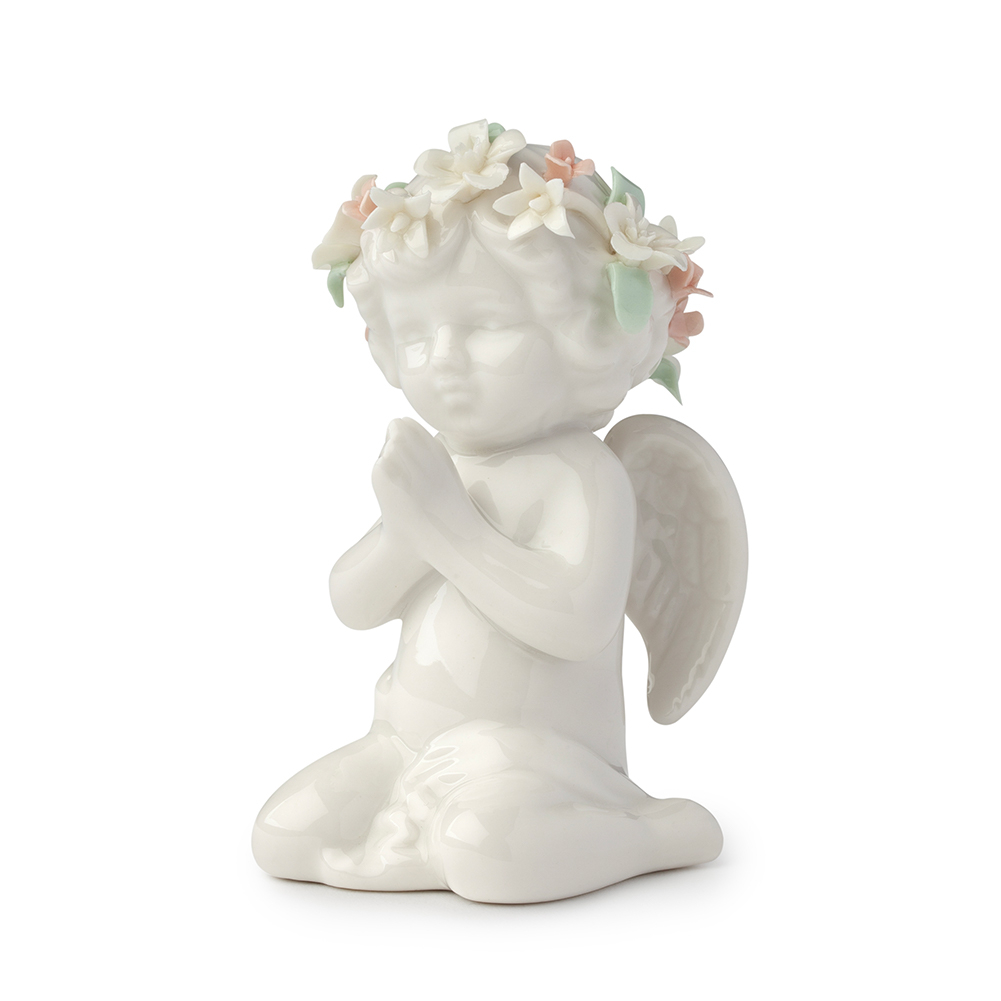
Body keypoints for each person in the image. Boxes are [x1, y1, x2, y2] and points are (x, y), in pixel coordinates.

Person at [252, 122, 742, 903]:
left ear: (581, 337)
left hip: (539, 757)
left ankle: (656, 830)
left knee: (484, 854)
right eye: (416, 334)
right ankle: (423, 815)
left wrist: (444, 528)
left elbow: (574, 620)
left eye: (484, 326)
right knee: (283, 833)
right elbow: (352, 601)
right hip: (405, 743)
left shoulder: (581, 473)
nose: (443, 358)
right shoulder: (442, 467)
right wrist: (408, 529)